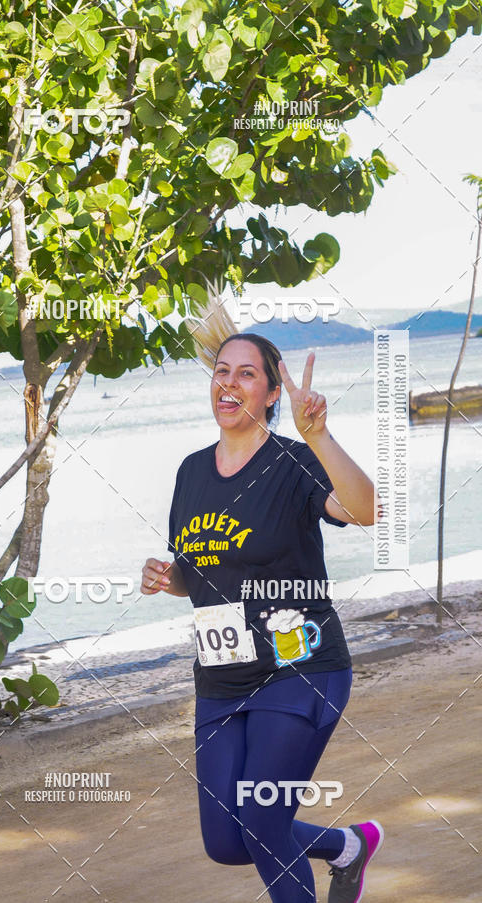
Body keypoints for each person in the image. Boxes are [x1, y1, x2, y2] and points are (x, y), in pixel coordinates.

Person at [141, 287, 384, 903]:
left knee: (263, 825)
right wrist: (169, 580)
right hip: (221, 678)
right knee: (226, 841)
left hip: (299, 667)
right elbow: (200, 574)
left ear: (272, 393)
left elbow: (365, 509)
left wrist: (321, 435)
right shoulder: (191, 472)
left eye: (246, 374)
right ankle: (347, 847)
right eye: (221, 371)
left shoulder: (295, 462)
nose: (229, 382)